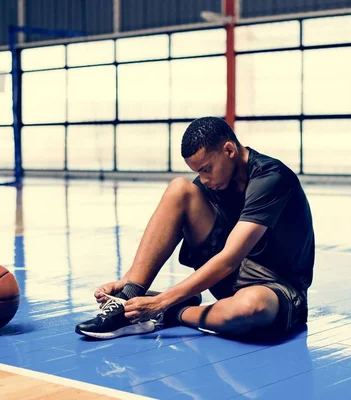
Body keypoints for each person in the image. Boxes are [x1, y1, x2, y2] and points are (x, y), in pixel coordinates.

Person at [75, 116, 314, 341]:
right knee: (179, 189)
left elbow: (230, 259)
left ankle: (173, 312)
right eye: (198, 172)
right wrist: (126, 281)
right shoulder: (214, 182)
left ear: (229, 150)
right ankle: (128, 299)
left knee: (250, 308)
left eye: (206, 169)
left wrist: (162, 303)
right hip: (231, 280)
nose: (204, 179)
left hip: (276, 287)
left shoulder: (272, 177)